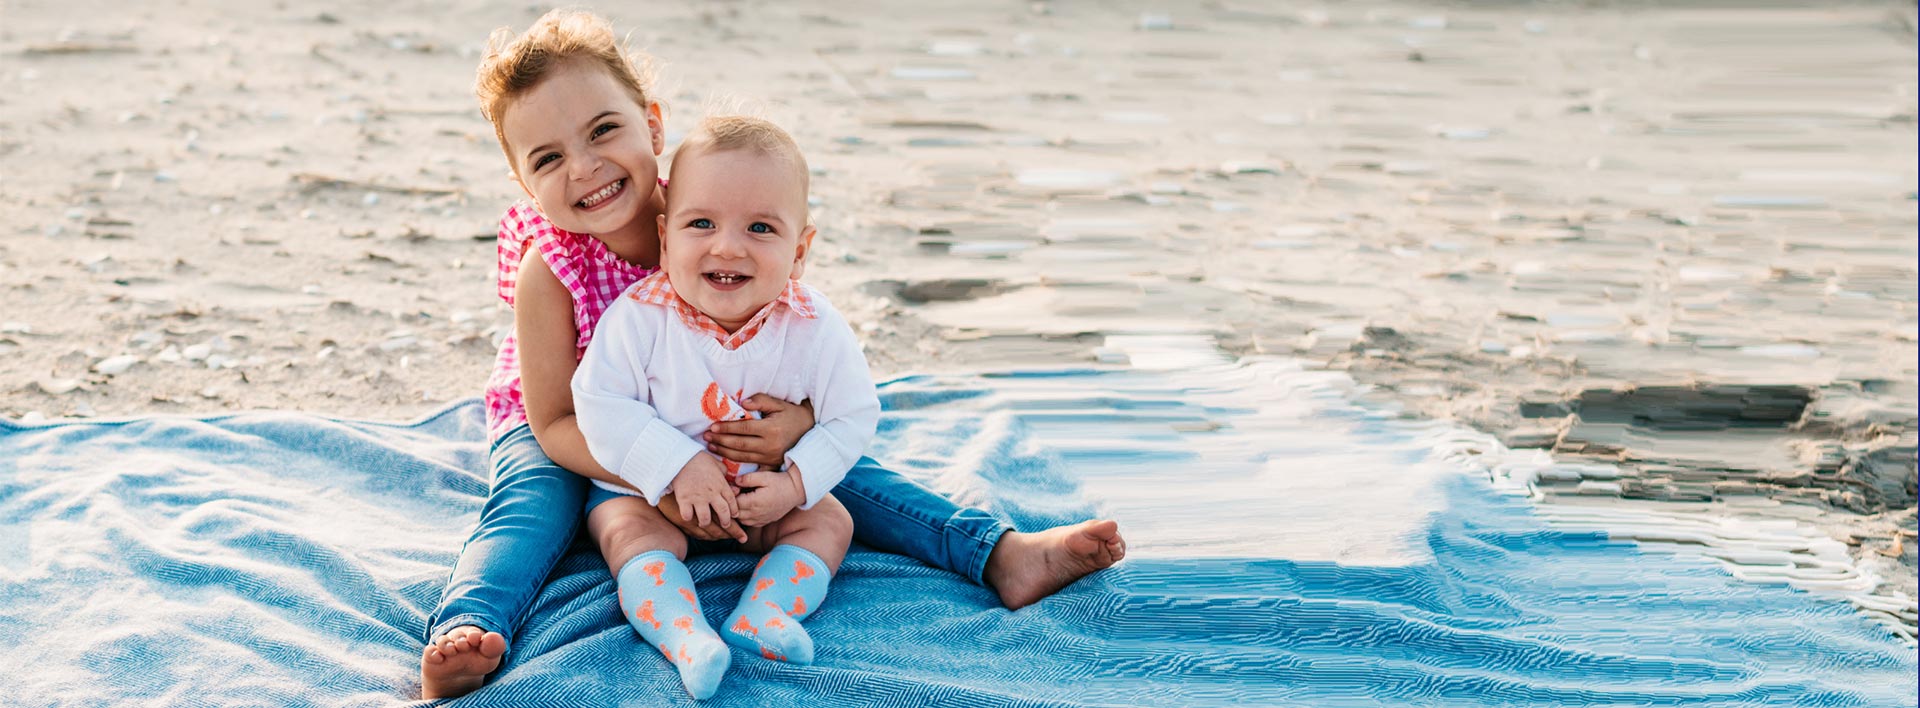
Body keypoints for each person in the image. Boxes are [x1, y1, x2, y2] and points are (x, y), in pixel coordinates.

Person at [420, 8, 1126, 699]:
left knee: (838, 476)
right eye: (548, 158)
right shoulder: (554, 268)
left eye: (604, 129)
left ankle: (997, 553)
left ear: (653, 124)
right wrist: (671, 469)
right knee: (533, 506)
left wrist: (798, 428)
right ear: (524, 184)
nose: (586, 167)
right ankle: (467, 629)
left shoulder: (723, 203)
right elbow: (555, 422)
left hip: (710, 416)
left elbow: (791, 342)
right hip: (570, 429)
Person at [568, 114, 874, 698]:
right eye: (701, 223)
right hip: (653, 499)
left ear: (800, 247)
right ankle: (684, 635)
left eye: (760, 227)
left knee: (830, 520)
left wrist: (794, 487)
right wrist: (675, 465)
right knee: (621, 528)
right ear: (665, 238)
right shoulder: (639, 318)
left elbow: (852, 415)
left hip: (762, 500)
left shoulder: (815, 327)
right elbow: (599, 401)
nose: (727, 246)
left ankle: (765, 612)